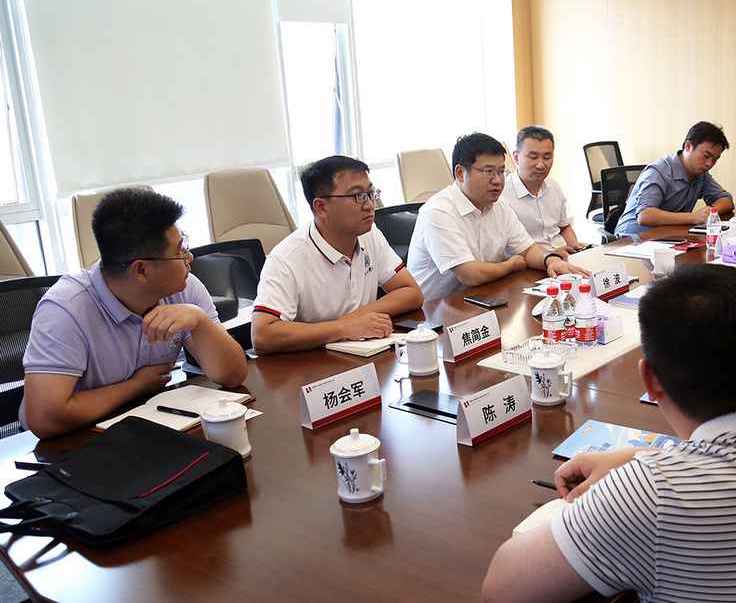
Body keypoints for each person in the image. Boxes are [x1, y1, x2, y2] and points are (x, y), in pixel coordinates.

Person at [482, 264, 736, 603]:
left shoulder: (650, 497)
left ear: (650, 380)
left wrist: (596, 508)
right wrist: (638, 458)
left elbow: (501, 589)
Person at [21, 188, 247, 438]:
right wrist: (136, 386)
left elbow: (233, 375)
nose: (189, 257)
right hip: (78, 442)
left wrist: (200, 321)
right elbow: (44, 418)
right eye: (179, 251)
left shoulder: (185, 288)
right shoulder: (65, 310)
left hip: (151, 427)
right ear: (141, 270)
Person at [252, 155, 424, 354]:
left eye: (370, 193)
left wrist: (355, 319)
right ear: (321, 207)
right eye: (357, 196)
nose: (370, 205)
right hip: (313, 364)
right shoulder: (286, 258)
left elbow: (411, 292)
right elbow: (262, 335)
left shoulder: (369, 234)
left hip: (363, 355)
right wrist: (342, 328)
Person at [407, 133, 589, 301]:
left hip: (481, 298)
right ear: (460, 173)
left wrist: (550, 260)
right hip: (433, 312)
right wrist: (510, 265)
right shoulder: (438, 211)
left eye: (501, 171)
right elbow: (470, 274)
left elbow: (527, 250)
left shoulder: (499, 205)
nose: (497, 180)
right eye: (488, 171)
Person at [614, 121, 734, 237]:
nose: (709, 164)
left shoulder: (701, 174)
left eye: (715, 159)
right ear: (688, 146)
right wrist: (694, 217)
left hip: (666, 236)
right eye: (706, 156)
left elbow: (726, 200)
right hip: (632, 238)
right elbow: (645, 215)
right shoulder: (659, 171)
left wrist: (709, 212)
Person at [499, 125, 588, 252]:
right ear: (516, 157)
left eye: (547, 157)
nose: (541, 165)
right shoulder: (501, 195)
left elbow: (564, 227)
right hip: (532, 260)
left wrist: (575, 246)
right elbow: (508, 247)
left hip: (563, 254)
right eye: (533, 157)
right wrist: (550, 256)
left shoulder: (554, 187)